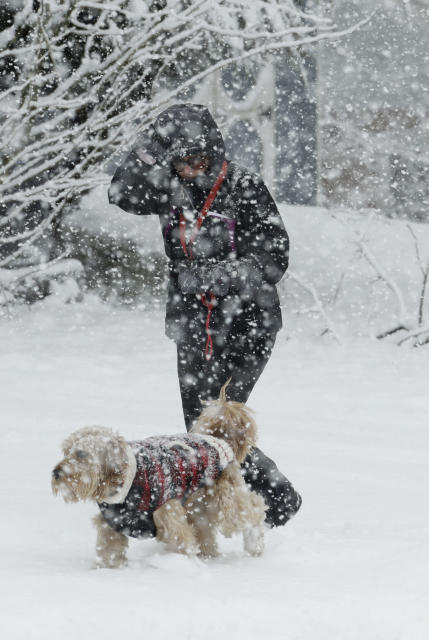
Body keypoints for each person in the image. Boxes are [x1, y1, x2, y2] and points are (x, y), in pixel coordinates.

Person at [107, 103, 301, 527]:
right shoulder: (169, 187)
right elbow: (120, 194)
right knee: (199, 427)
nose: (190, 169)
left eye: (198, 160)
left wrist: (216, 276)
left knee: (217, 425)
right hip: (192, 325)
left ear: (214, 152)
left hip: (248, 325)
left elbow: (275, 257)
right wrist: (145, 151)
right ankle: (203, 503)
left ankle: (275, 498)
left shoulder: (244, 185)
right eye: (180, 160)